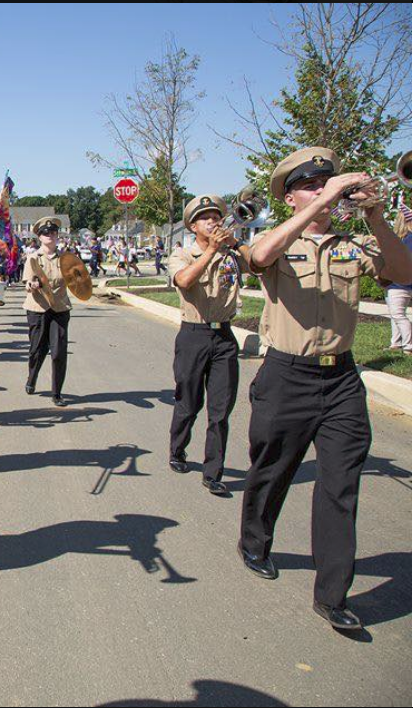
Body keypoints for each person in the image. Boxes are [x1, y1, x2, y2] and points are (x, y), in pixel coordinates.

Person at [238, 147, 411, 631]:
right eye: (312, 186)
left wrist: (377, 218)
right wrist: (322, 202)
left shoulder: (354, 244)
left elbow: (404, 272)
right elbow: (260, 256)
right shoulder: (279, 240)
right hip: (285, 375)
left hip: (341, 380)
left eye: (329, 184)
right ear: (291, 197)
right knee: (272, 470)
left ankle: (333, 593)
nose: (325, 192)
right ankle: (254, 540)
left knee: (340, 485)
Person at [167, 195, 252, 496]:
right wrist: (212, 251)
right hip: (193, 335)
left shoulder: (230, 253)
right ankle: (177, 450)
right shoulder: (182, 254)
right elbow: (186, 280)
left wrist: (237, 244)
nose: (214, 222)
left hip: (224, 337)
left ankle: (213, 471)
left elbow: (258, 263)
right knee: (188, 403)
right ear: (192, 226)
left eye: (217, 216)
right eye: (206, 218)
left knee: (220, 410)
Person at [23, 217, 74, 407]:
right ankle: (32, 377)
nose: (50, 236)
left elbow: (77, 281)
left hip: (59, 308)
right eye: (46, 233)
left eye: (53, 233)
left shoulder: (66, 258)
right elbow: (27, 283)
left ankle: (57, 392)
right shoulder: (33, 258)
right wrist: (32, 285)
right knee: (37, 349)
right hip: (38, 308)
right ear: (39, 237)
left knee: (59, 351)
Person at [385, 214, 411, 353]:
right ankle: (395, 343)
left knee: (398, 315)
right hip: (400, 284)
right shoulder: (404, 239)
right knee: (395, 314)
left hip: (398, 284)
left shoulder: (405, 240)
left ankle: (408, 346)